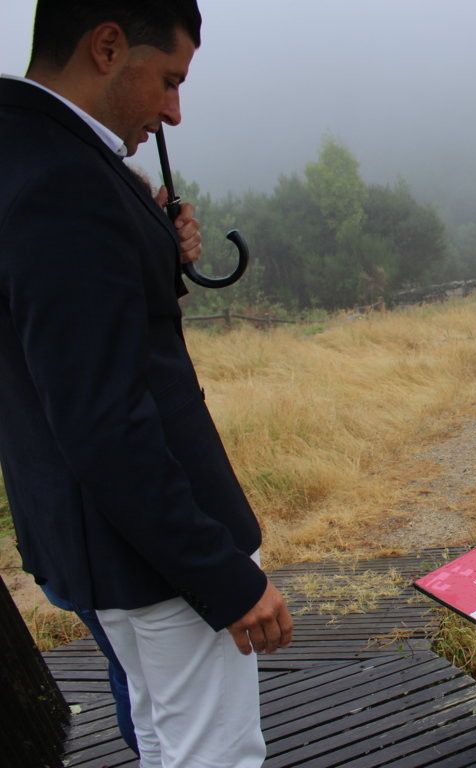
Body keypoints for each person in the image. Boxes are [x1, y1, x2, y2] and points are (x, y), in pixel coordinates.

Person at [0, 2, 293, 766]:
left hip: (91, 543)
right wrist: (218, 573)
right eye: (168, 80)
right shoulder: (67, 183)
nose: (174, 112)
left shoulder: (25, 149)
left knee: (166, 740)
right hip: (153, 558)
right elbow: (104, 417)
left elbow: (59, 333)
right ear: (106, 47)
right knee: (213, 754)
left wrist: (148, 244)